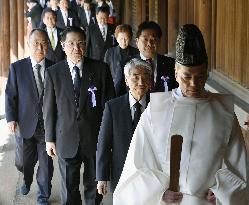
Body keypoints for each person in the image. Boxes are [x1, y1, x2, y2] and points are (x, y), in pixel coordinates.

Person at [113, 24, 249, 205]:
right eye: (187, 76)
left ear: (207, 74)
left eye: (200, 76)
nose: (193, 83)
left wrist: (223, 190)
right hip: (168, 200)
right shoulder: (156, 110)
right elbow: (138, 163)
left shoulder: (223, 111)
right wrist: (159, 192)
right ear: (176, 73)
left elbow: (238, 163)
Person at [43, 26, 115, 205]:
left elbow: (109, 105)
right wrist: (49, 138)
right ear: (63, 45)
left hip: (94, 137)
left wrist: (109, 138)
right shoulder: (53, 72)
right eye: (71, 44)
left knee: (94, 186)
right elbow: (49, 108)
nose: (77, 48)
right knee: (69, 187)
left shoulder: (100, 69)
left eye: (81, 43)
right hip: (66, 137)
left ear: (86, 44)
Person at [5, 29, 54, 205]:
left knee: (46, 165)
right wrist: (11, 118)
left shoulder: (54, 68)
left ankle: (43, 196)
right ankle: (26, 180)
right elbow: (10, 94)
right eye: (36, 43)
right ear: (29, 44)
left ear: (48, 45)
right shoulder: (17, 68)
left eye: (44, 43)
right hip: (24, 124)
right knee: (23, 163)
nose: (40, 47)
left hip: (47, 126)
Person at [96, 58, 151, 202]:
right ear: (126, 80)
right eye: (136, 77)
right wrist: (102, 176)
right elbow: (104, 144)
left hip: (150, 173)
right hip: (121, 171)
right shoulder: (113, 107)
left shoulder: (157, 106)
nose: (141, 82)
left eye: (145, 77)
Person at [136, 21, 178, 92]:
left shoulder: (171, 64)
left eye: (153, 39)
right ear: (137, 42)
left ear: (160, 42)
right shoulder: (127, 63)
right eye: (145, 39)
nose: (149, 43)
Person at [104, 24, 139, 96]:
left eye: (126, 38)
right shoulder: (110, 52)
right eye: (121, 39)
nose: (123, 41)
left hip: (131, 88)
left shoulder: (136, 52)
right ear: (116, 38)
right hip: (114, 87)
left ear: (130, 38)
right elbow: (105, 71)